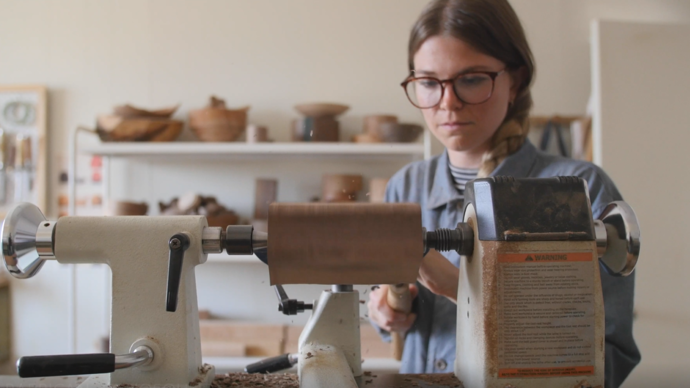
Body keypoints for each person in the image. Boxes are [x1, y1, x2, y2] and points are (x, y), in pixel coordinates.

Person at [366, 1, 640, 387]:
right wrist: (386, 312)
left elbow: (607, 357)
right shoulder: (405, 187)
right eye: (428, 82)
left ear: (516, 80)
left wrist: (463, 290)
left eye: (472, 79)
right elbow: (394, 315)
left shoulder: (578, 190)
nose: (447, 102)